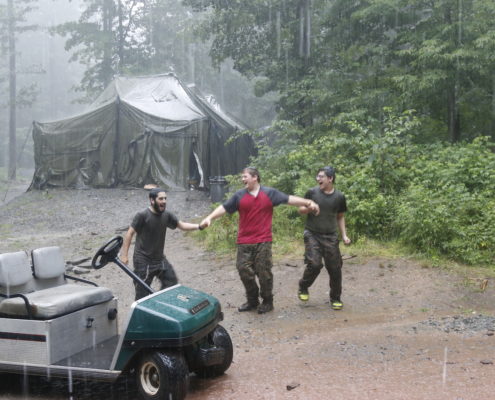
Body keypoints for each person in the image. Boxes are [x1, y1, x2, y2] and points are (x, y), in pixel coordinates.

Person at [200, 167, 320, 314]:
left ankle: (268, 301)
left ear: (255, 177)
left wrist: (308, 202)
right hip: (244, 241)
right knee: (243, 270)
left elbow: (289, 199)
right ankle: (252, 300)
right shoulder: (239, 196)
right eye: (242, 177)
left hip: (263, 240)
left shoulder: (269, 193)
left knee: (264, 273)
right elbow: (224, 208)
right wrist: (209, 217)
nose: (243, 179)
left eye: (245, 176)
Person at [120, 188, 206, 300]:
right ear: (152, 200)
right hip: (143, 261)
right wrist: (124, 255)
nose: (164, 201)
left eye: (165, 198)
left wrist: (199, 226)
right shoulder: (142, 215)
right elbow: (129, 233)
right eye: (161, 199)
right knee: (142, 294)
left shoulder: (167, 215)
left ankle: (160, 304)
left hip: (159, 259)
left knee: (171, 282)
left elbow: (181, 225)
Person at [297, 166, 351, 310]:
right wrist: (309, 208)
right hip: (312, 234)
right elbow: (300, 210)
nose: (318, 179)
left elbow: (340, 216)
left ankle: (336, 298)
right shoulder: (312, 192)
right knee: (315, 264)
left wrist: (344, 235)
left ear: (330, 178)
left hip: (330, 236)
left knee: (335, 268)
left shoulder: (339, 197)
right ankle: (303, 286)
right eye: (317, 176)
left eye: (321, 176)